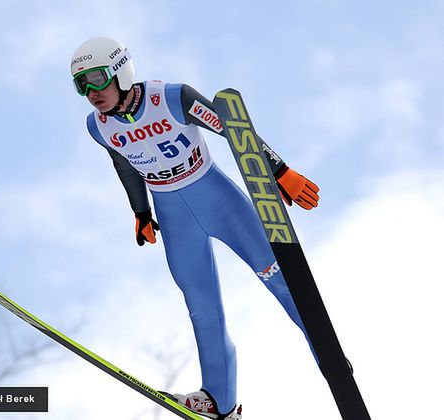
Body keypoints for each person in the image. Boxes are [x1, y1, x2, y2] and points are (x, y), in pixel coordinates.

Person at [70, 36, 320, 420]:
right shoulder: (97, 126)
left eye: (97, 79)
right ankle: (221, 402)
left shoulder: (171, 98)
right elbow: (124, 163)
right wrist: (140, 211)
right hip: (172, 215)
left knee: (279, 279)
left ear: (121, 72)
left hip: (217, 198)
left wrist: (280, 170)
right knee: (202, 308)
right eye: (81, 85)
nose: (91, 92)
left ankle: (328, 357)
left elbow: (232, 128)